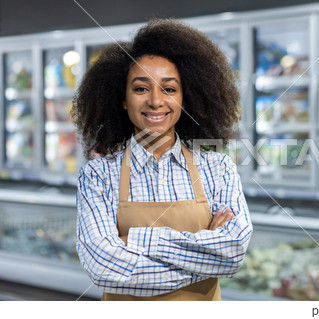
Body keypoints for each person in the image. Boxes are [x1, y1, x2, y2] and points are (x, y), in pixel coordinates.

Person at [72, 18, 252, 301]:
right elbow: (103, 267)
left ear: (185, 97)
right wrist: (204, 259)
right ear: (123, 98)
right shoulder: (97, 174)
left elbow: (233, 253)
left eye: (169, 89)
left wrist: (135, 241)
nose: (156, 101)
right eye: (141, 88)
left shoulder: (218, 168)